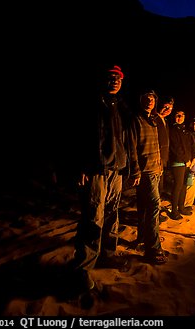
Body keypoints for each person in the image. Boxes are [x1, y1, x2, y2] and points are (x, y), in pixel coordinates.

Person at [69, 64, 135, 293]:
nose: (115, 80)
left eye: (118, 77)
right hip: (96, 168)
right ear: (103, 80)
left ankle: (107, 254)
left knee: (111, 214)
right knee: (92, 217)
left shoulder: (120, 106)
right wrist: (81, 167)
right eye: (110, 77)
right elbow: (78, 136)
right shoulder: (91, 103)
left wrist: (129, 165)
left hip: (116, 169)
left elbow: (127, 138)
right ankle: (82, 268)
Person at [128, 88, 167, 264]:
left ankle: (142, 237)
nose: (149, 101)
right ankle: (153, 248)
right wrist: (135, 170)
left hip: (155, 168)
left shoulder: (153, 120)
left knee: (144, 206)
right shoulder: (136, 119)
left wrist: (160, 165)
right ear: (141, 100)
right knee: (154, 206)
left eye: (152, 99)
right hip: (144, 170)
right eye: (146, 98)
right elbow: (132, 147)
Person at [167, 110, 195, 220]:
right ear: (174, 117)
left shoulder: (185, 130)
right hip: (178, 162)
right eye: (178, 115)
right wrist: (185, 159)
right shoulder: (172, 130)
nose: (180, 117)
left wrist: (193, 158)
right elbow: (175, 147)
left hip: (187, 162)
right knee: (178, 186)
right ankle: (174, 211)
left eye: (182, 115)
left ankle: (181, 207)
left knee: (184, 185)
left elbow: (190, 145)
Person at [152, 96, 174, 199]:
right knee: (155, 187)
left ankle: (157, 208)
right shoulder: (154, 119)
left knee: (160, 185)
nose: (167, 110)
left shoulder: (165, 120)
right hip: (156, 159)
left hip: (163, 159)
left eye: (170, 108)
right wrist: (159, 158)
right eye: (165, 107)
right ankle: (153, 212)